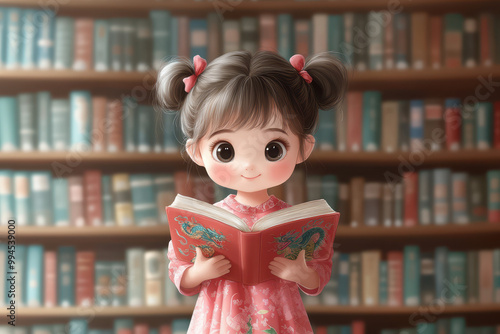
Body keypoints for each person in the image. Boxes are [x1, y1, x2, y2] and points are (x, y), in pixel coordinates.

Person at [156, 50, 347, 334]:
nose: (248, 165)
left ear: (303, 148)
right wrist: (199, 273)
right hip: (220, 318)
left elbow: (319, 267)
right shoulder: (206, 220)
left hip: (279, 316)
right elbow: (178, 265)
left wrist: (302, 274)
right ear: (196, 151)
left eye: (273, 149)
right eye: (225, 150)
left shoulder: (291, 220)